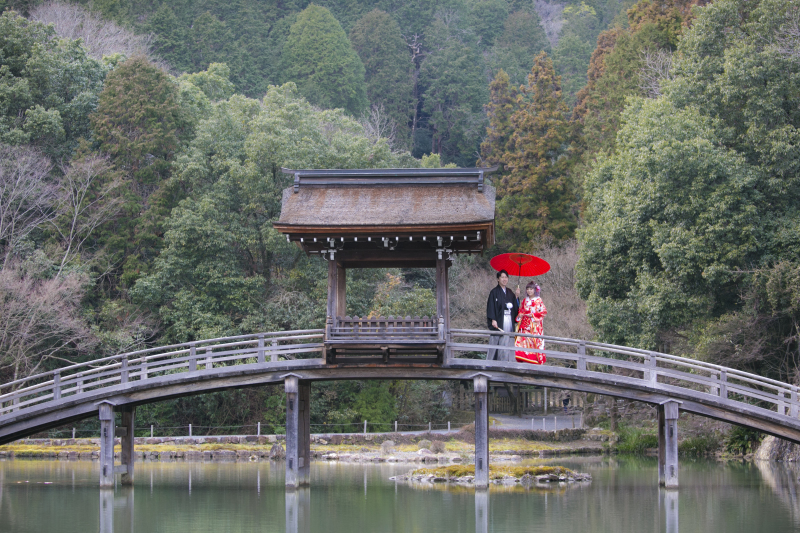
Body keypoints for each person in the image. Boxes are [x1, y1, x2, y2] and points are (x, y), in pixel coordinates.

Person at [486, 270, 519, 361]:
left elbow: (515, 308)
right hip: (499, 320)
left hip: (509, 319)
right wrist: (493, 319)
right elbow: (491, 306)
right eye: (502, 277)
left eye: (506, 277)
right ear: (498, 279)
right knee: (497, 341)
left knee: (508, 340)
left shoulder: (510, 292)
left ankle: (508, 361)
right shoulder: (494, 292)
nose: (504, 279)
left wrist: (516, 297)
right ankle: (494, 362)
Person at [514, 283, 547, 364]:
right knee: (522, 340)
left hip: (533, 325)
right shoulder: (525, 300)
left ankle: (532, 359)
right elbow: (520, 310)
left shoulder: (538, 300)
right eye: (528, 289)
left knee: (533, 342)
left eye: (531, 289)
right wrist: (520, 315)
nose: (529, 291)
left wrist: (533, 315)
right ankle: (522, 358)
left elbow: (543, 312)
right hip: (524, 324)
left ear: (535, 290)